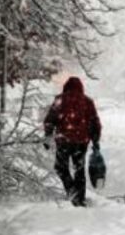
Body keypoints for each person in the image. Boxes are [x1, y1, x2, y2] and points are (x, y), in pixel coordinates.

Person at [43, 76, 101, 207]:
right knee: (79, 170)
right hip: (81, 142)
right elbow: (94, 122)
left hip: (64, 140)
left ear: (66, 87)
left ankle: (72, 192)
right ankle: (80, 198)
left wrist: (48, 136)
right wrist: (95, 140)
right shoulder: (87, 101)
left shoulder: (60, 100)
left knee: (60, 168)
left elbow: (50, 120)